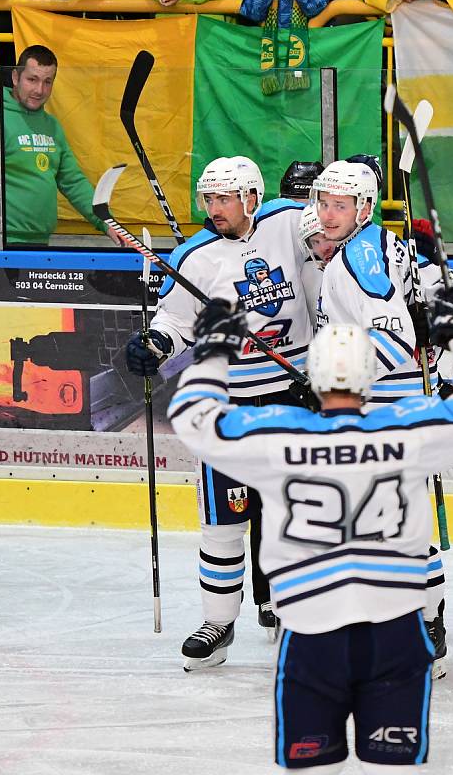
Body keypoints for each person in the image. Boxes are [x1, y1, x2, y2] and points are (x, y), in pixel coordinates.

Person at [167, 296, 453, 772]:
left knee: (313, 765)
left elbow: (191, 416)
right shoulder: (410, 431)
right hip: (394, 631)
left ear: (314, 375)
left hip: (311, 632)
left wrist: (215, 350)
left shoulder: (279, 437)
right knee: (391, 765)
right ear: (371, 375)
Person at [125, 155, 313, 668]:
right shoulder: (195, 256)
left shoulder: (287, 221)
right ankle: (218, 622)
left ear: (251, 197)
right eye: (208, 199)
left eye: (224, 199)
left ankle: (294, 613)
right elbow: (173, 321)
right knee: (224, 522)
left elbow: (338, 232)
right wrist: (153, 345)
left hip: (291, 397)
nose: (214, 208)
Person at [310, 159, 453, 678]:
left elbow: (389, 337)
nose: (327, 214)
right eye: (323, 203)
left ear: (363, 208)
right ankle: (417, 624)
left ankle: (417, 629)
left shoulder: (359, 258)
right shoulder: (388, 245)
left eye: (340, 205)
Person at [3, 45, 122, 247]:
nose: (39, 90)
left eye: (47, 82)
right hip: (0, 242)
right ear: (16, 77)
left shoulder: (53, 126)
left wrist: (108, 223)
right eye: (32, 79)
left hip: (39, 243)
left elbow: (73, 182)